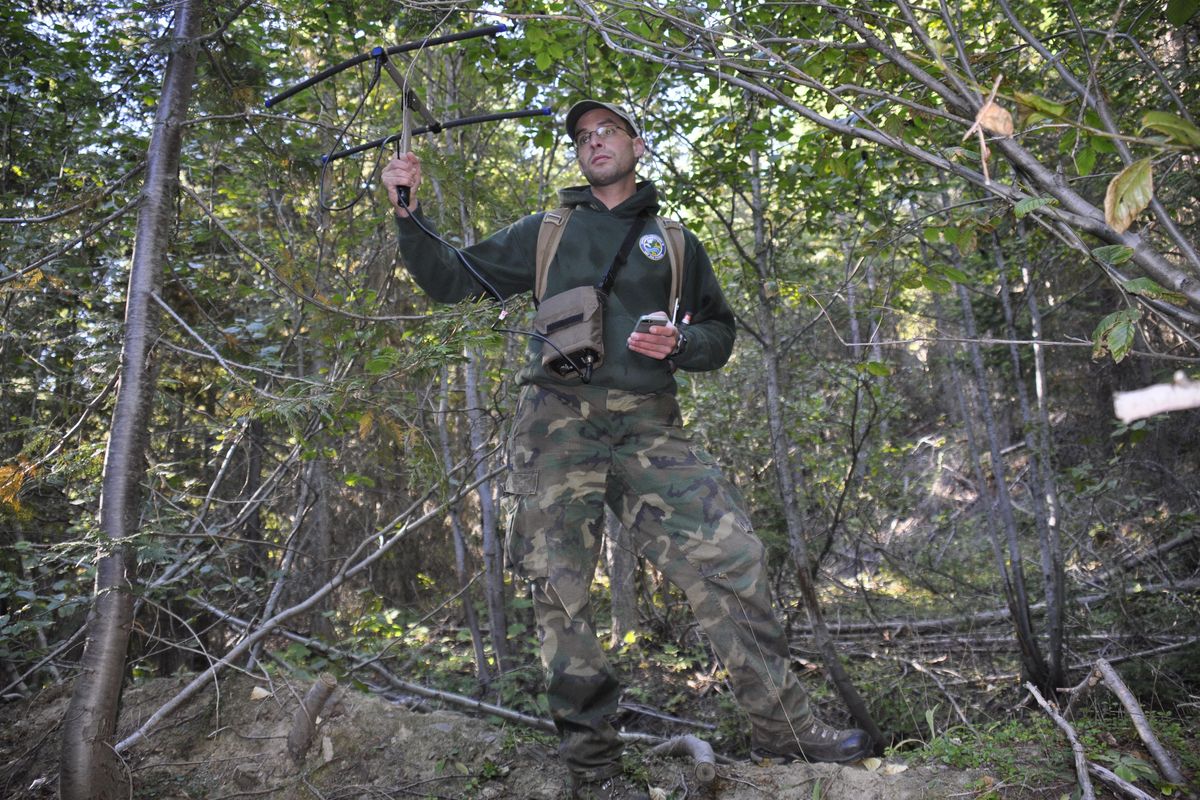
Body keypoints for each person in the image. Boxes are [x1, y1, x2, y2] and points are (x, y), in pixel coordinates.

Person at [381, 99, 871, 800]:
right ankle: (596, 770)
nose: (594, 142)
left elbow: (721, 335)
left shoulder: (675, 242)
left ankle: (785, 731)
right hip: (558, 423)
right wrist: (408, 215)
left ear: (637, 145)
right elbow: (451, 280)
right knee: (561, 590)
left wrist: (682, 342)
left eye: (607, 130)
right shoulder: (547, 231)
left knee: (732, 557)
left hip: (651, 423)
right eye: (582, 136)